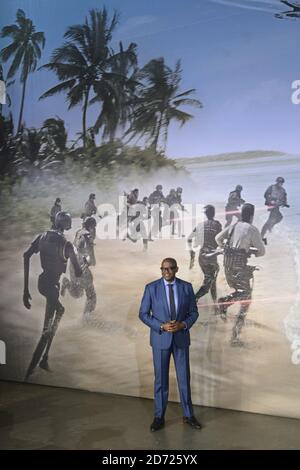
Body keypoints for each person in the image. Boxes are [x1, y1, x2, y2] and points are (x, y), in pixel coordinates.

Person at [139, 257, 201, 432]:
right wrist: (161, 326)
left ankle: (189, 415)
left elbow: (194, 312)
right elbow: (143, 314)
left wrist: (183, 324)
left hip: (181, 339)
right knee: (161, 381)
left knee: (184, 379)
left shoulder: (186, 287)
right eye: (163, 269)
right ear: (161, 270)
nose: (167, 272)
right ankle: (159, 417)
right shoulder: (151, 288)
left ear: (176, 269)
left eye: (170, 268)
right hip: (160, 340)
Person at [23, 212, 82, 379]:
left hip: (42, 283)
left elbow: (26, 255)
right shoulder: (67, 245)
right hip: (52, 287)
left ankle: (45, 358)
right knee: (45, 332)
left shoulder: (42, 237)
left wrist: (25, 291)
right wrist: (80, 261)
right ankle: (29, 374)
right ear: (66, 225)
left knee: (60, 310)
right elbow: (77, 272)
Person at [216, 203, 265, 346]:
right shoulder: (252, 229)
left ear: (241, 214)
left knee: (242, 292)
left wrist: (226, 248)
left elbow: (218, 239)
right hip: (239, 268)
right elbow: (262, 252)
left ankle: (224, 304)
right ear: (252, 215)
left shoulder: (233, 226)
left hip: (227, 267)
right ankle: (235, 337)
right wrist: (251, 251)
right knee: (247, 298)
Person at [61, 216, 97, 320]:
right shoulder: (87, 236)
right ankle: (86, 320)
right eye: (94, 227)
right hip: (82, 267)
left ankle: (67, 283)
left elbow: (75, 248)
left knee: (78, 293)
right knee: (91, 296)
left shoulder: (79, 232)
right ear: (91, 227)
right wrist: (90, 261)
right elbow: (92, 258)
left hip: (73, 265)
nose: (94, 229)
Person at [188, 205, 222, 304]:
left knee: (211, 281)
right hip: (211, 258)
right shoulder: (217, 225)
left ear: (205, 214)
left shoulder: (200, 225)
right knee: (209, 283)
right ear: (214, 213)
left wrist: (192, 258)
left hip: (201, 257)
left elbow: (189, 238)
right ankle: (192, 300)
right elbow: (220, 239)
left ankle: (215, 306)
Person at [261, 177, 289, 243]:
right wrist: (271, 201)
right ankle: (263, 233)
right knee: (274, 218)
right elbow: (266, 195)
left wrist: (285, 204)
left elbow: (284, 198)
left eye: (281, 183)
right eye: (279, 182)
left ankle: (269, 228)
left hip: (277, 207)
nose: (280, 184)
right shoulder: (271, 187)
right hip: (271, 206)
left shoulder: (283, 190)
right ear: (276, 182)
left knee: (279, 217)